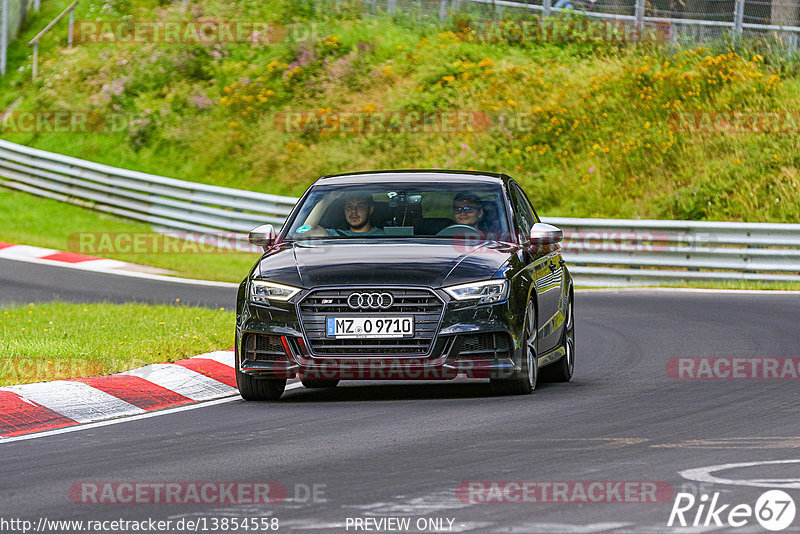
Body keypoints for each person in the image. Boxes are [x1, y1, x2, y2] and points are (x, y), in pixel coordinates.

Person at [296, 192, 384, 237]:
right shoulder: (335, 235)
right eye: (349, 207)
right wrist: (329, 199)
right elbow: (307, 231)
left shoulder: (386, 236)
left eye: (359, 206)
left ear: (370, 209)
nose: (353, 211)